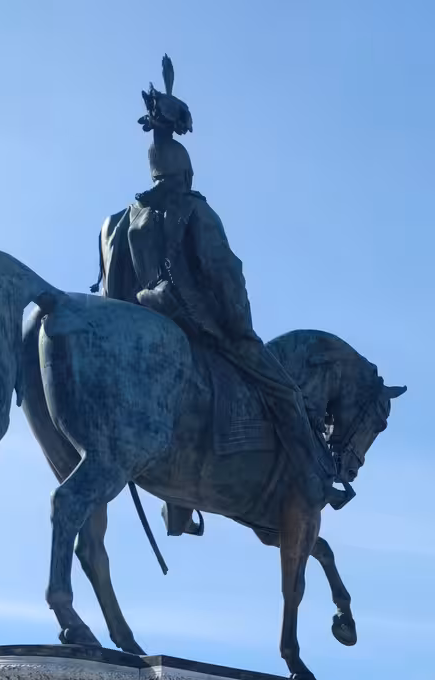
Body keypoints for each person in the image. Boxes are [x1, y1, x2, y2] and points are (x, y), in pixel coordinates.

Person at [98, 59, 345, 525]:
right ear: (185, 173)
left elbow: (114, 289)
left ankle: (178, 509)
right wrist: (241, 327)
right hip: (197, 320)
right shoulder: (195, 211)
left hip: (147, 318)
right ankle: (315, 478)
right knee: (286, 392)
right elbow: (225, 275)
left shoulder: (123, 220)